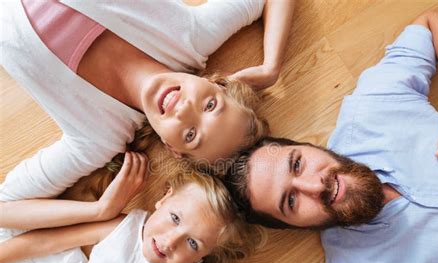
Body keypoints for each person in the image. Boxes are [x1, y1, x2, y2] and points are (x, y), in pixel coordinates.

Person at [225, 8, 438, 263]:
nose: (314, 185)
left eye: (297, 164)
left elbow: (435, 24)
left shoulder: (370, 110)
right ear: (292, 226)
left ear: (307, 146)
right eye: (290, 201)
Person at [0, 0, 294, 202]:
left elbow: (9, 204)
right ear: (214, 84)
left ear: (172, 148)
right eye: (210, 106)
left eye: (191, 135)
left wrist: (101, 211)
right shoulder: (192, 37)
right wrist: (271, 67)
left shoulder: (99, 139)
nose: (184, 110)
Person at [0, 152, 256, 263]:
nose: (169, 242)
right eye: (175, 219)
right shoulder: (122, 227)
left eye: (192, 243)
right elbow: (45, 242)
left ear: (208, 252)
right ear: (164, 199)